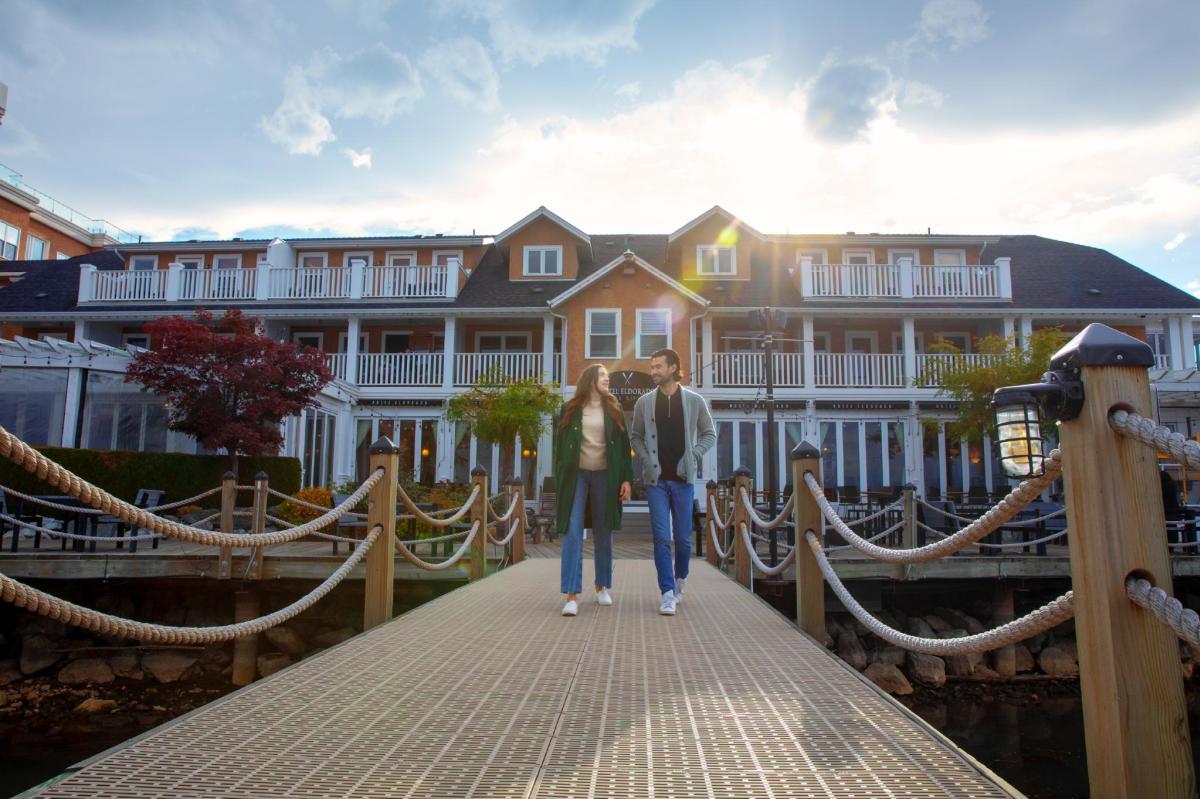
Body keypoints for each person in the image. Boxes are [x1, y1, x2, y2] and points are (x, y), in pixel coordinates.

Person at [630, 348, 716, 616]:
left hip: (683, 480)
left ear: (673, 367)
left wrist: (693, 456)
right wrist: (646, 460)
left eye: (658, 366)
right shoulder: (644, 402)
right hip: (656, 481)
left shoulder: (694, 400)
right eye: (652, 366)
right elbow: (635, 437)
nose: (653, 371)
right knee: (660, 537)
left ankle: (681, 579)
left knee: (683, 539)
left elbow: (709, 434)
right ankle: (667, 592)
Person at [554, 364, 633, 616]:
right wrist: (560, 477)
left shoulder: (615, 409)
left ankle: (601, 586)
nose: (606, 380)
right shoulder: (569, 409)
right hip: (575, 476)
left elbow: (623, 447)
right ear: (589, 380)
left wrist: (626, 479)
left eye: (608, 377)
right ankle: (571, 595)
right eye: (602, 376)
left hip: (605, 476)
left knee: (603, 530)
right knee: (572, 530)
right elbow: (559, 449)